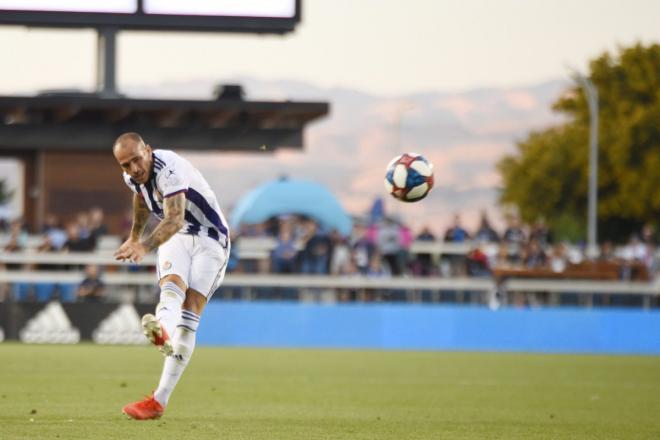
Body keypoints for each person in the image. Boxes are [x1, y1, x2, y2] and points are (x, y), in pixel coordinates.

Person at [112, 132, 230, 420]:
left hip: (210, 239)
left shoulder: (171, 168)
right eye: (126, 165)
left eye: (137, 160)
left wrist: (143, 245)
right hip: (178, 237)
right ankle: (162, 331)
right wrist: (133, 236)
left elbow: (175, 218)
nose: (134, 169)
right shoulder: (133, 178)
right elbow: (140, 198)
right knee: (170, 289)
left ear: (148, 150)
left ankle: (158, 399)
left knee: (189, 317)